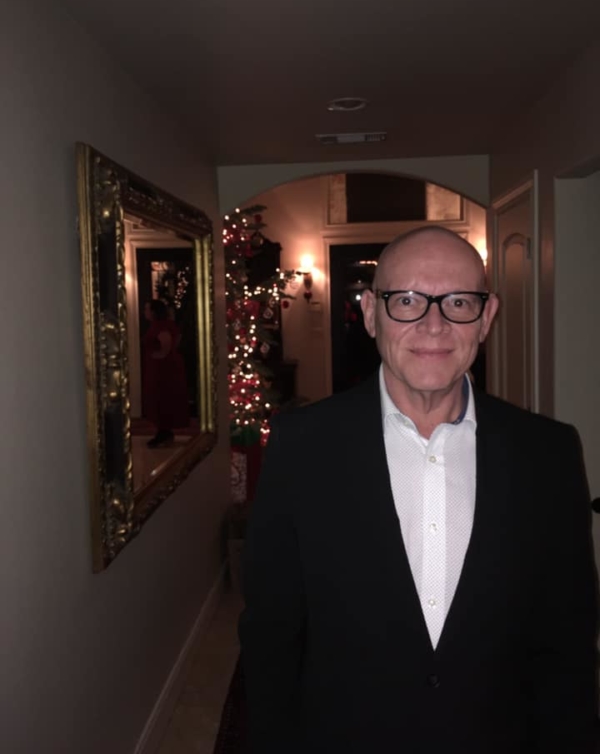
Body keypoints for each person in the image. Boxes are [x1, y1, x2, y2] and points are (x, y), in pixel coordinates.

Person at [239, 226, 599, 753]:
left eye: (458, 301)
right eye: (406, 300)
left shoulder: (548, 453)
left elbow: (567, 646)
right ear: (369, 313)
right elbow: (271, 638)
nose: (434, 324)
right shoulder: (302, 446)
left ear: (487, 317)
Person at [141, 298, 189, 448]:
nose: (145, 312)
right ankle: (164, 432)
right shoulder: (165, 325)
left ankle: (163, 432)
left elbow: (166, 342)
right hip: (165, 367)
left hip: (162, 369)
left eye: (147, 309)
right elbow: (177, 338)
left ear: (154, 312)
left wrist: (161, 355)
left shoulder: (160, 326)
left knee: (161, 398)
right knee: (162, 398)